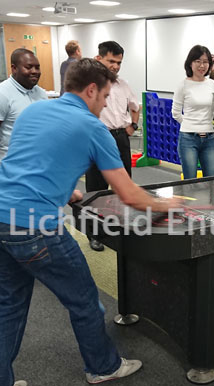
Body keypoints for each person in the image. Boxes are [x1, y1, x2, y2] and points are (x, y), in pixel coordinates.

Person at [0, 58, 180, 386]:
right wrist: (164, 205)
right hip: (34, 227)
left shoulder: (35, 111)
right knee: (85, 302)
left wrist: (67, 190)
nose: (105, 105)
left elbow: (29, 161)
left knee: (8, 306)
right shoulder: (93, 127)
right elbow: (128, 193)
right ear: (91, 90)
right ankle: (103, 367)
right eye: (104, 97)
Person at [85, 41, 140, 251]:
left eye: (119, 62)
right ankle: (95, 234)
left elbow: (136, 107)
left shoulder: (123, 84)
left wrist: (132, 127)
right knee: (96, 189)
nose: (116, 66)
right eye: (111, 61)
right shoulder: (88, 86)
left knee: (124, 186)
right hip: (97, 139)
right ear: (99, 59)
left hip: (120, 138)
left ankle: (121, 227)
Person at [0, 48, 48, 163]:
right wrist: (5, 153)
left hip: (40, 162)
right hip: (14, 165)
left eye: (37, 67)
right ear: (14, 68)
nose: (35, 71)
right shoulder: (0, 95)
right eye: (28, 67)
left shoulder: (41, 93)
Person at [171, 44, 214, 179]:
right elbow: (176, 113)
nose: (202, 65)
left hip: (209, 138)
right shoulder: (183, 85)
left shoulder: (212, 84)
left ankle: (208, 202)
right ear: (190, 63)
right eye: (198, 61)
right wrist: (189, 124)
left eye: (205, 62)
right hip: (188, 139)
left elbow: (213, 108)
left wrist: (205, 123)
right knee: (190, 181)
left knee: (212, 179)